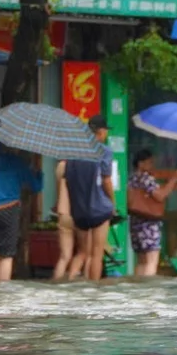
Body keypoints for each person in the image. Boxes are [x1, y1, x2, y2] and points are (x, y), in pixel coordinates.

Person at [56, 117, 115, 281]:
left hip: (79, 211)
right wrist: (112, 203)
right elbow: (106, 180)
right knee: (96, 254)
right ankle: (93, 290)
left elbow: (67, 179)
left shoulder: (73, 154)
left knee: (82, 252)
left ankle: (71, 282)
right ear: (101, 132)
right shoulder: (104, 151)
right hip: (99, 210)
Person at [0, 148, 37, 283]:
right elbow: (35, 186)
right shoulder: (18, 163)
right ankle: (3, 291)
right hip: (9, 208)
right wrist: (37, 173)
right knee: (7, 254)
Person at [127, 148, 177, 278]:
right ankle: (148, 287)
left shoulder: (132, 178)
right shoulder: (146, 179)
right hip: (149, 224)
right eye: (149, 163)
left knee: (141, 260)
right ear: (140, 163)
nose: (151, 166)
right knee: (151, 259)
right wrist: (173, 181)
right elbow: (160, 196)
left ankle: (138, 285)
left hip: (136, 222)